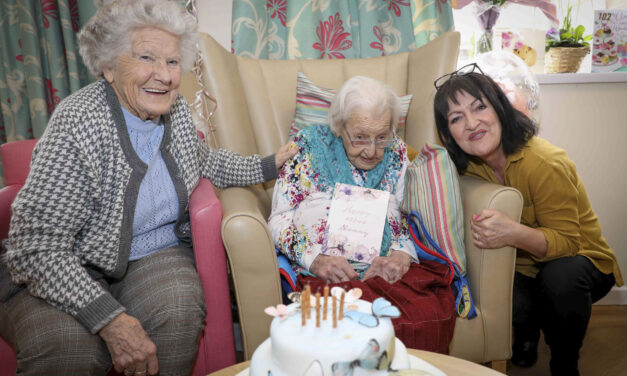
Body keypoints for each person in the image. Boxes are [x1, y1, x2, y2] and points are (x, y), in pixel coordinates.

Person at [0, 0, 296, 375]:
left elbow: (206, 162)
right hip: (67, 264)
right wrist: (110, 320)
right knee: (69, 351)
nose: (164, 75)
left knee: (180, 307)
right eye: (146, 58)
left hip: (150, 254)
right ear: (108, 66)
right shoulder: (78, 122)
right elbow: (36, 247)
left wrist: (270, 163)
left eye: (172, 62)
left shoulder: (176, 113)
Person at [432, 63, 623, 376]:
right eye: (456, 118)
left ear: (500, 109)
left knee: (560, 278)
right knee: (493, 279)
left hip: (580, 260)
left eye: (480, 107)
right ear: (449, 134)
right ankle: (526, 333)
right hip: (522, 266)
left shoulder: (545, 161)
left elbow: (567, 243)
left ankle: (565, 361)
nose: (471, 123)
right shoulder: (466, 167)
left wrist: (511, 232)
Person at [268, 76, 456, 353]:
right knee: (342, 325)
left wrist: (400, 255)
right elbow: (277, 220)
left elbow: (405, 218)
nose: (371, 151)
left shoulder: (397, 153)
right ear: (340, 126)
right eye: (360, 137)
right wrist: (316, 260)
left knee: (428, 312)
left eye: (382, 137)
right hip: (325, 272)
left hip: (384, 271)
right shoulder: (305, 149)